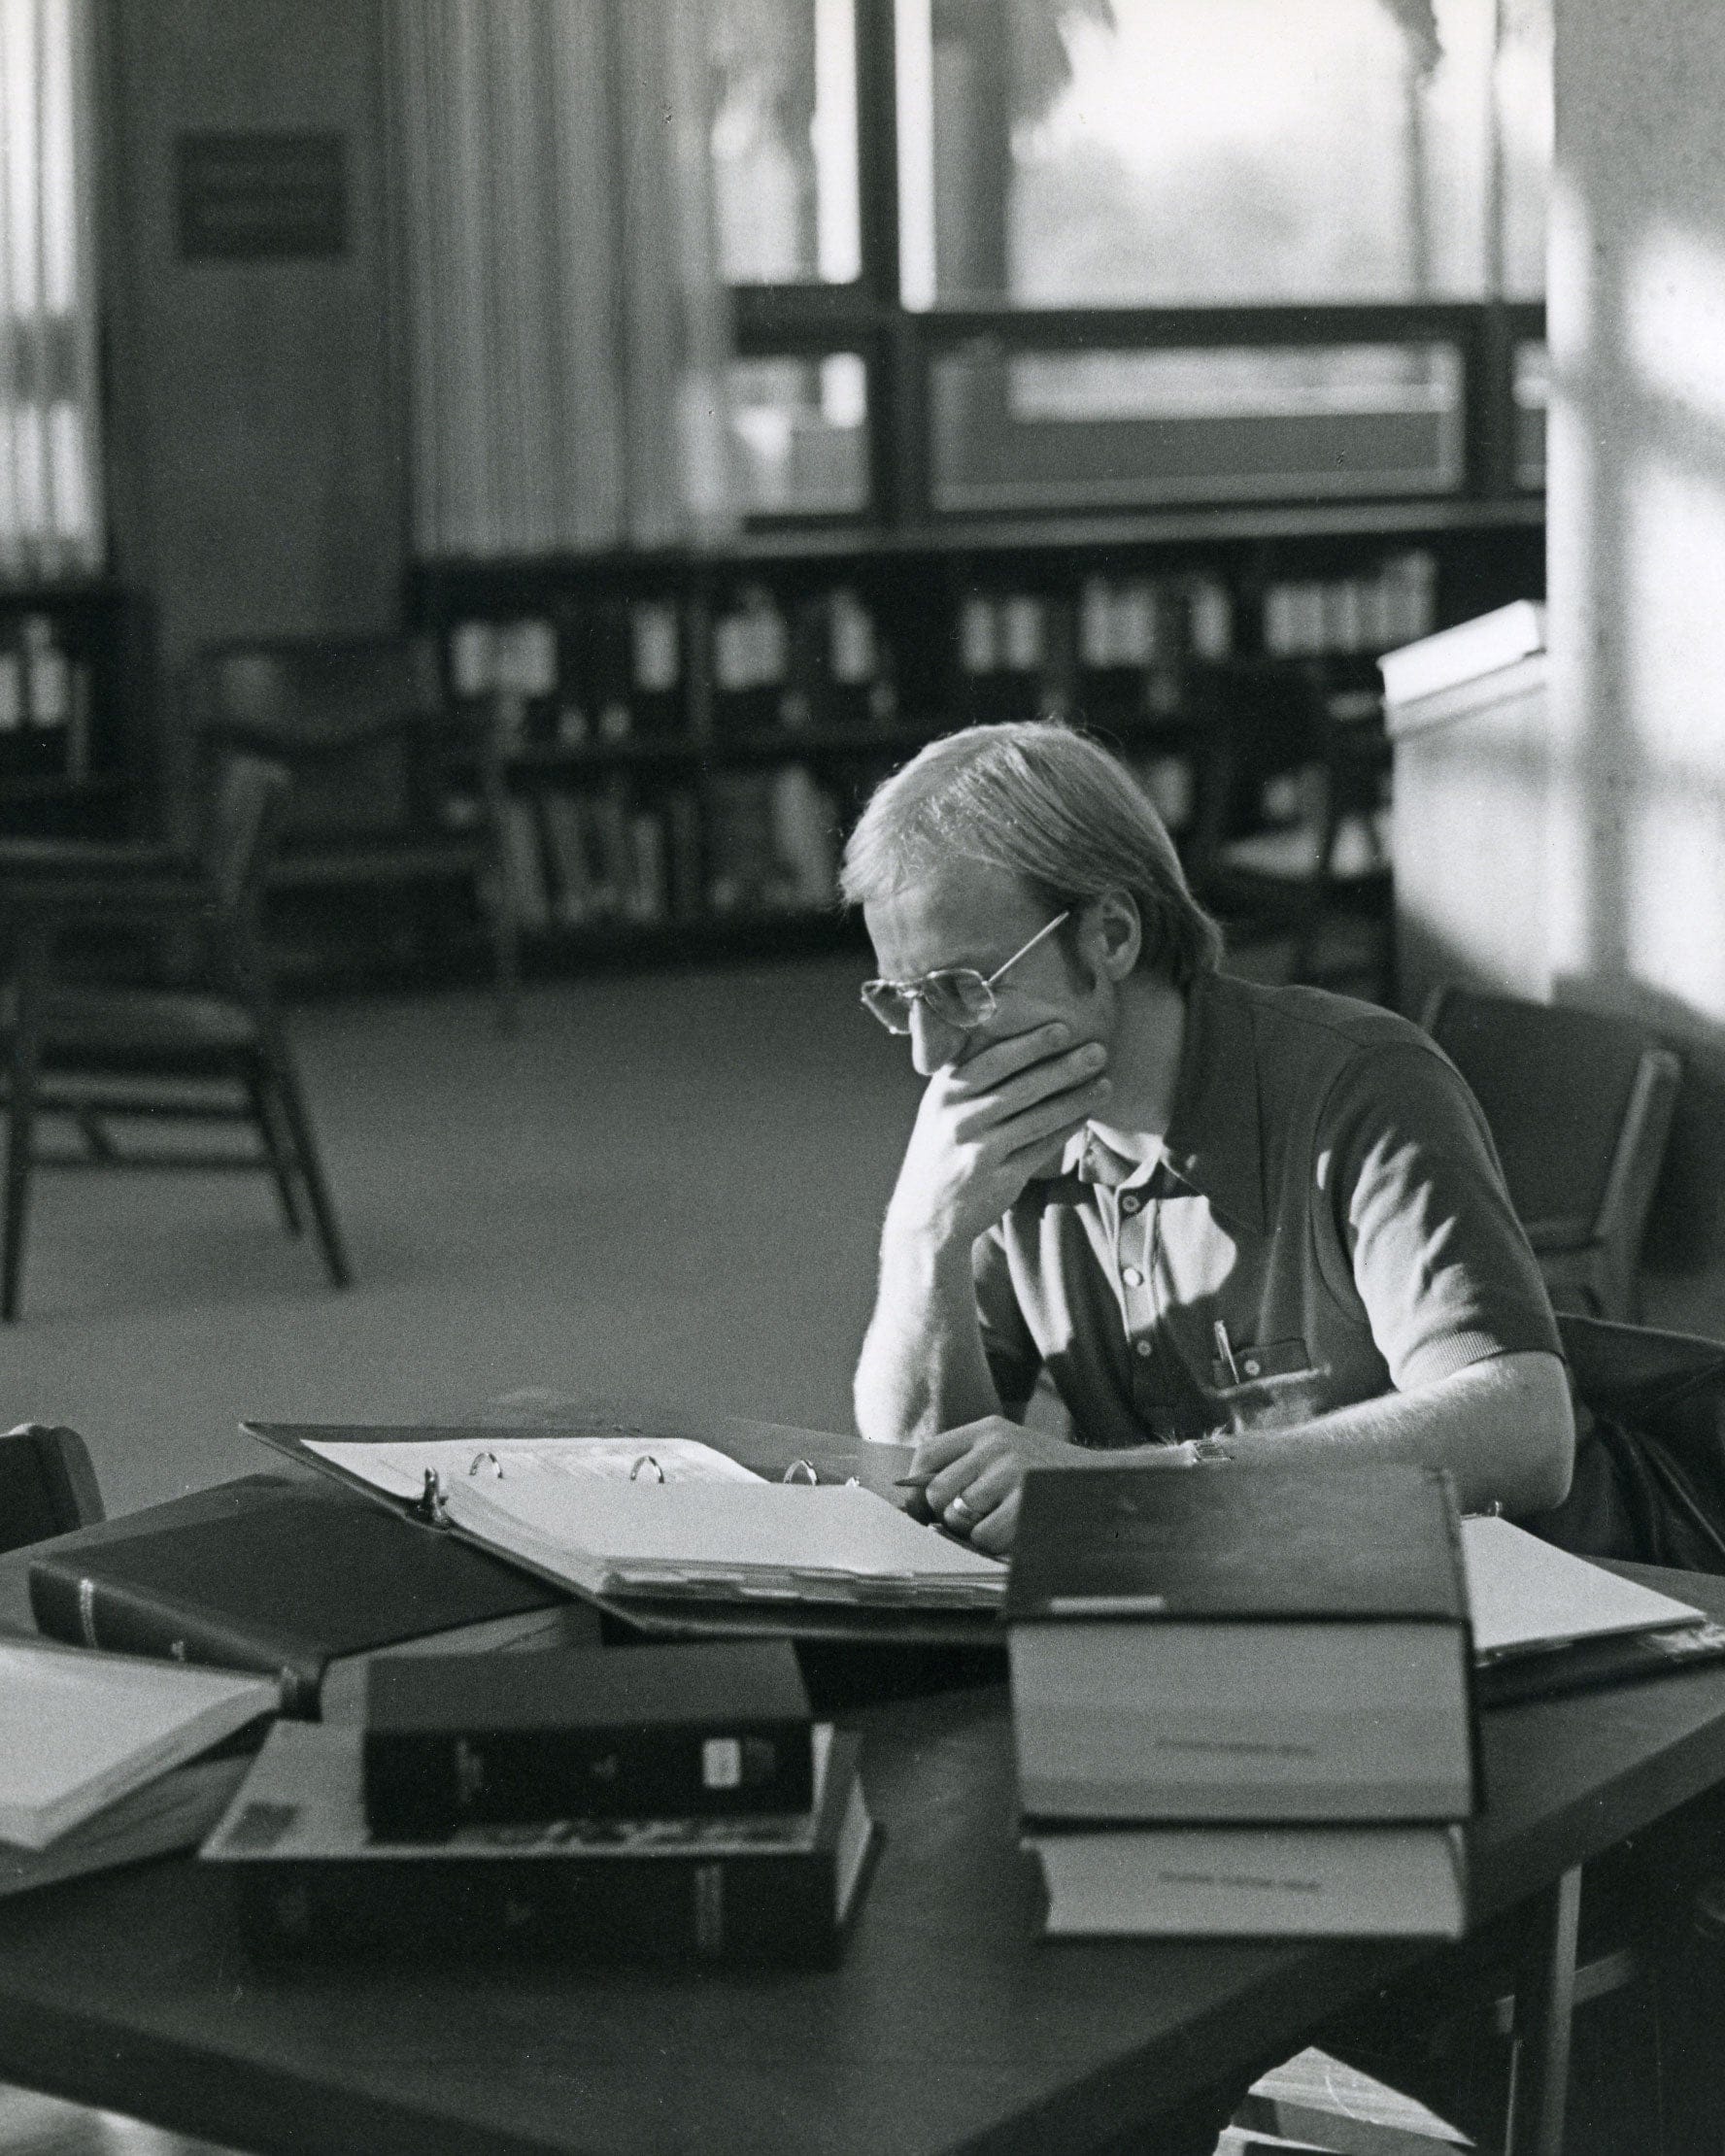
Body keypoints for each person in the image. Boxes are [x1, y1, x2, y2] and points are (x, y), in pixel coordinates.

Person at [844, 719, 1574, 1554]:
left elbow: (1524, 1429)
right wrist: (922, 1239)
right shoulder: (1000, 1136)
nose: (929, 1055)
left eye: (961, 989)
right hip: (1192, 1606)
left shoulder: (1361, 1083)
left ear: (1112, 936)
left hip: (1435, 1609)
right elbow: (918, 1489)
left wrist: (1139, 1488)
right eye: (900, 1000)